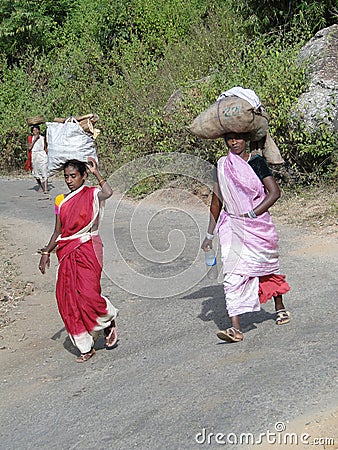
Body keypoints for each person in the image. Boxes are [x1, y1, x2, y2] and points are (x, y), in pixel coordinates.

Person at [201, 132, 290, 342]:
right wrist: (208, 234)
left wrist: (252, 213)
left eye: (238, 138)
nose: (234, 142)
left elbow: (274, 192)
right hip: (232, 226)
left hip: (258, 226)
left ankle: (279, 306)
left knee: (266, 267)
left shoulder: (257, 162)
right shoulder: (222, 166)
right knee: (232, 274)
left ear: (245, 139)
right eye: (229, 139)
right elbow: (216, 202)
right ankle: (235, 328)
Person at [39, 157, 118, 362]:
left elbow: (108, 193)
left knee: (89, 294)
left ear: (83, 175)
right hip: (67, 250)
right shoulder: (61, 201)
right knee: (68, 297)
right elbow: (58, 230)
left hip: (88, 248)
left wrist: (97, 173)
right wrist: (46, 252)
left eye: (73, 176)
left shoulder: (92, 193)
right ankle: (85, 346)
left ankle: (107, 320)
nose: (69, 180)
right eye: (66, 176)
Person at [29, 125, 49, 193]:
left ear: (39, 130)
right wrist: (34, 140)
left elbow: (45, 147)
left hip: (42, 154)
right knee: (36, 172)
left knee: (44, 171)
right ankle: (40, 186)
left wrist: (47, 154)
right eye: (34, 130)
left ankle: (46, 189)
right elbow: (29, 148)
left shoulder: (43, 138)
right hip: (35, 155)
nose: (35, 131)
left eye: (36, 130)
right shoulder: (30, 138)